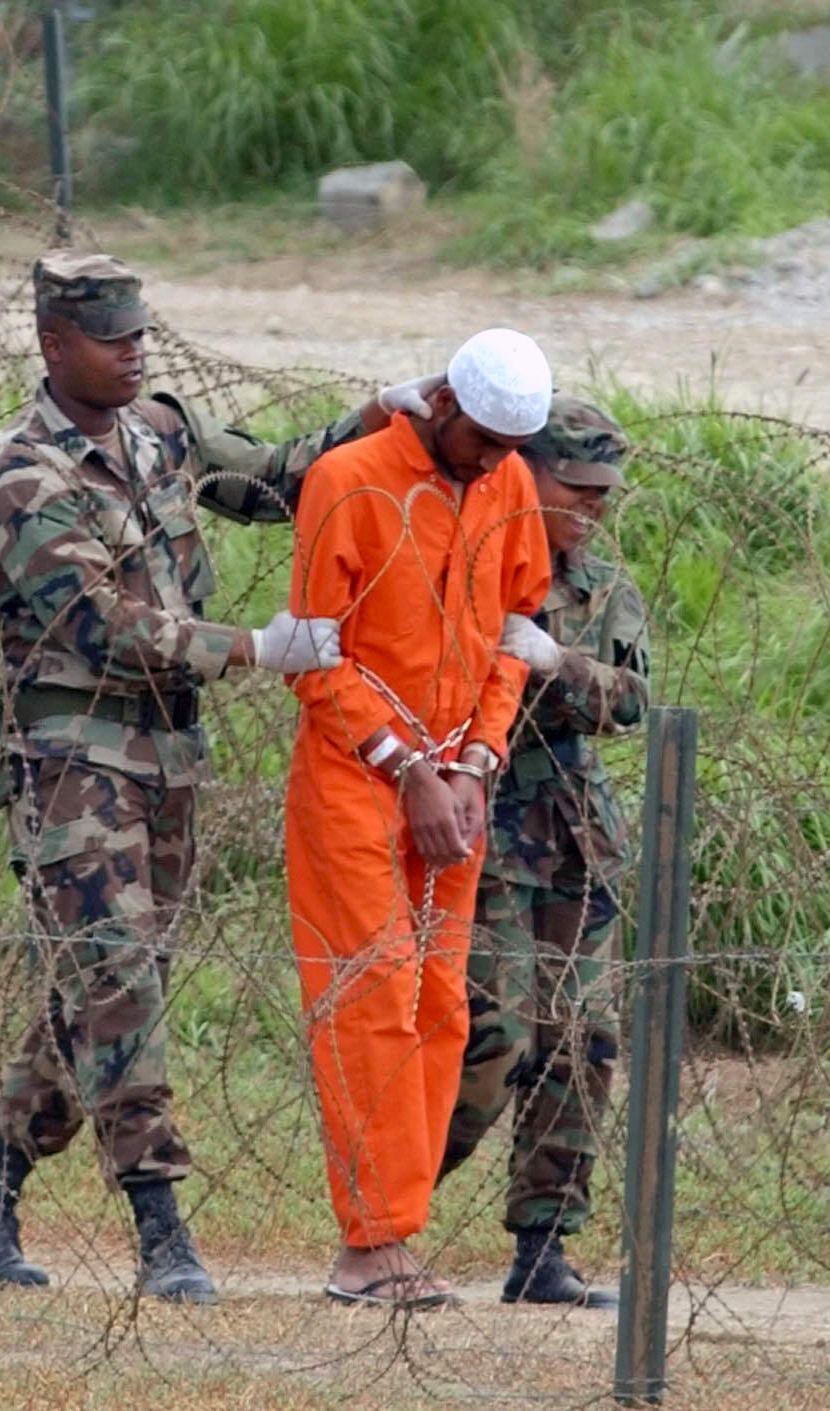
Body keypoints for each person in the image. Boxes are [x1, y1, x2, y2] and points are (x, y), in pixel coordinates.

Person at [0, 251, 366, 1304]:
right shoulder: (18, 472)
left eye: (138, 337)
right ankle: (160, 1227)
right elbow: (100, 626)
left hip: (166, 755)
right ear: (51, 345)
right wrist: (255, 647)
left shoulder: (158, 434)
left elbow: (270, 480)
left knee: (108, 989)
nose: (133, 355)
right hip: (73, 756)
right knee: (116, 980)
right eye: (110, 340)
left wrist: (382, 421)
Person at [283, 326, 555, 1308]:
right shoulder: (346, 478)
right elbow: (310, 653)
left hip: (456, 784)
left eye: (506, 447)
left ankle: (393, 1230)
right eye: (479, 439)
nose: (489, 461)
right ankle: (369, 1243)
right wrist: (403, 767)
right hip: (356, 780)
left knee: (438, 1003)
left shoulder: (507, 482)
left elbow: (517, 630)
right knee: (370, 996)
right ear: (439, 401)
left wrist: (477, 762)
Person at [434, 395, 646, 1308]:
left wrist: (555, 663)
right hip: (485, 828)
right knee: (490, 1041)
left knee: (581, 1045)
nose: (593, 506)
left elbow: (634, 699)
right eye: (578, 486)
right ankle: (380, 1208)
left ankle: (545, 1247)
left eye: (606, 492)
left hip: (575, 836)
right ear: (527, 473)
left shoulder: (603, 586)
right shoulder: (469, 558)